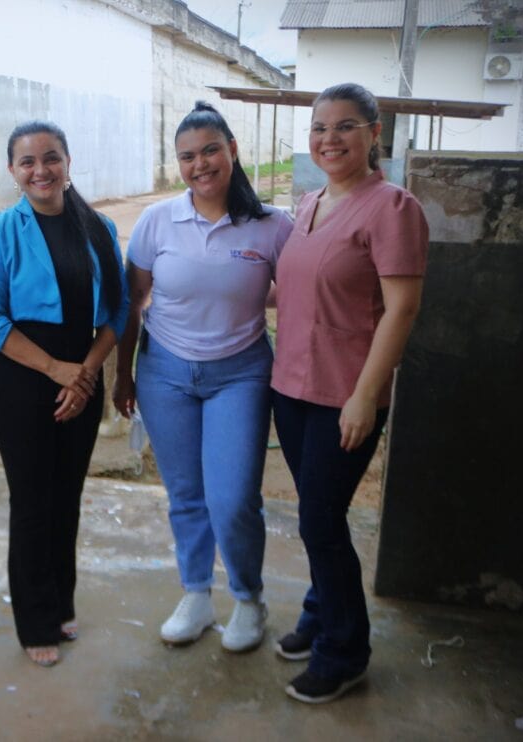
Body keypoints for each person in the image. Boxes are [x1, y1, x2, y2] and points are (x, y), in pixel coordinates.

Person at [114, 102, 293, 653]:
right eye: (187, 156)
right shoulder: (157, 221)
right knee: (186, 494)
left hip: (240, 373)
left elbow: (295, 294)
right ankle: (196, 593)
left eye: (211, 150)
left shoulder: (272, 224)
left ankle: (247, 597)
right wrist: (125, 374)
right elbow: (134, 299)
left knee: (233, 497)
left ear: (233, 151)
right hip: (165, 371)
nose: (200, 164)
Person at [271, 83, 427, 704]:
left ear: (374, 132)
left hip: (345, 392)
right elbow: (294, 290)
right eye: (319, 128)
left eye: (345, 126)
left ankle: (345, 651)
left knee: (320, 520)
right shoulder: (308, 203)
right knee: (315, 516)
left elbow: (403, 307)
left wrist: (367, 395)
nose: (329, 139)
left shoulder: (392, 208)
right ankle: (319, 611)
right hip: (291, 386)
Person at [0, 121, 128, 667]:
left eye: (51, 158)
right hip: (22, 378)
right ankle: (34, 621)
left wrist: (84, 373)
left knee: (67, 499)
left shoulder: (100, 228)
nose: (41, 170)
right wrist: (56, 370)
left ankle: (61, 602)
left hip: (82, 372)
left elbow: (118, 312)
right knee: (33, 503)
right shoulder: (1, 230)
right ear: (13, 171)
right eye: (28, 162)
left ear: (67, 161)